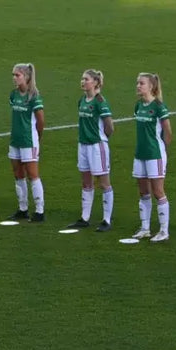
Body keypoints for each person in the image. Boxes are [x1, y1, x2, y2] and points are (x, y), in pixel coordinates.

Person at [68, 69, 114, 232]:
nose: (83, 82)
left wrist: (101, 139)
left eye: (86, 79)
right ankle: (85, 218)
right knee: (86, 182)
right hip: (83, 145)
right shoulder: (81, 100)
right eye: (82, 79)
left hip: (96, 146)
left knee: (103, 183)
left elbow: (109, 127)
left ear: (95, 82)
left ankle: (106, 220)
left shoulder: (100, 102)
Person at [132, 72, 171, 242]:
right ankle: (145, 228)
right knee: (143, 192)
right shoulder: (138, 106)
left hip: (155, 154)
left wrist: (162, 151)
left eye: (141, 83)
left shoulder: (159, 107)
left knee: (158, 191)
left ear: (151, 86)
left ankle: (163, 230)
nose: (138, 86)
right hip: (140, 154)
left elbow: (168, 133)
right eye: (138, 83)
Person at [6, 63, 45, 223]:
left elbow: (41, 121)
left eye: (17, 75)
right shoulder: (13, 95)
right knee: (18, 174)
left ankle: (39, 211)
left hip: (29, 141)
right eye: (13, 75)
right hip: (15, 140)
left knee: (33, 175)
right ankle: (22, 208)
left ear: (26, 77)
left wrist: (37, 139)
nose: (14, 78)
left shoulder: (34, 97)